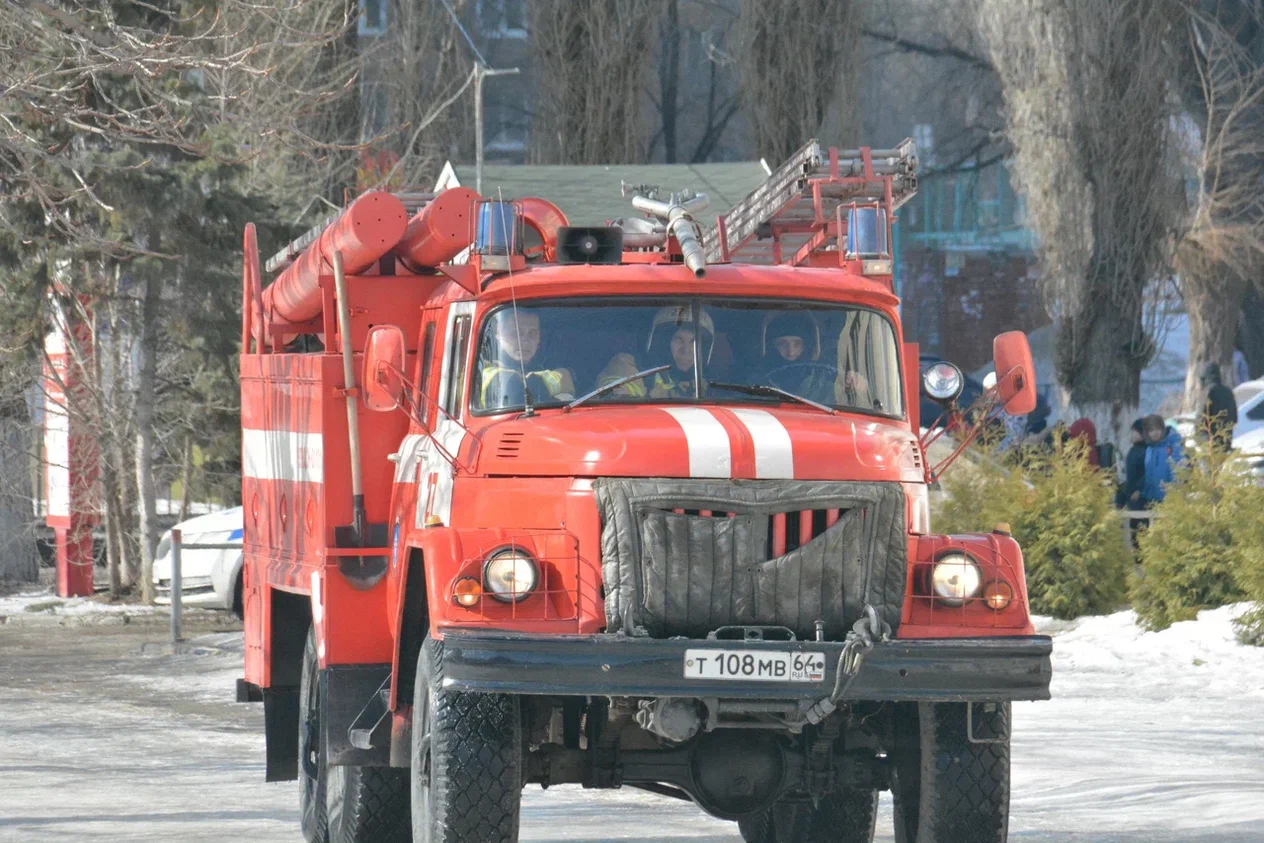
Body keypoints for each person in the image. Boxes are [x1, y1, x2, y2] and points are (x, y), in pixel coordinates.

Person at [595, 305, 714, 399]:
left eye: (694, 342)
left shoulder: (711, 383)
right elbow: (619, 401)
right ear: (662, 343)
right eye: (678, 340)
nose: (686, 350)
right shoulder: (627, 365)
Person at [479, 311, 574, 409]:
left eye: (532, 333)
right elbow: (515, 390)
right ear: (498, 333)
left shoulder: (541, 366)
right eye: (516, 333)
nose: (525, 340)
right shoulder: (486, 372)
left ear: (539, 338)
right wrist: (554, 381)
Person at [761, 311, 834, 403]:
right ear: (772, 347)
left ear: (806, 346)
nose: (790, 352)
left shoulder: (825, 390)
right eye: (783, 344)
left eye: (797, 344)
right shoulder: (755, 386)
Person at [1142, 413, 1183, 504]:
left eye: (1157, 429)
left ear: (1162, 429)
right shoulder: (1150, 449)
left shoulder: (1173, 445)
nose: (1155, 433)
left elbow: (1178, 468)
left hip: (1170, 498)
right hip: (1154, 499)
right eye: (1151, 430)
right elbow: (1149, 474)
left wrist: (1174, 490)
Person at [1197, 362, 1238, 452]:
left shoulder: (1208, 392)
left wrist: (1201, 438)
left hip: (1209, 443)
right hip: (1226, 442)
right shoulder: (1228, 392)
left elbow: (1200, 419)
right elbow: (1235, 418)